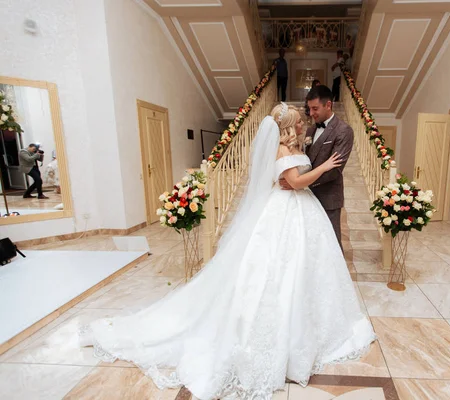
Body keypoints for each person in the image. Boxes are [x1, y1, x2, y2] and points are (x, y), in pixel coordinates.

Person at [79, 103, 375, 400]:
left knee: (304, 268)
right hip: (287, 209)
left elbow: (292, 178)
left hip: (301, 210)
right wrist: (323, 167)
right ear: (288, 127)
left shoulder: (291, 146)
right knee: (279, 270)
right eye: (299, 122)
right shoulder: (282, 151)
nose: (303, 124)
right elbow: (295, 182)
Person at [282, 86, 353, 248]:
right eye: (310, 109)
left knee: (331, 246)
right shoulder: (312, 129)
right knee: (311, 247)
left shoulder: (344, 131)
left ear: (328, 105)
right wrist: (296, 181)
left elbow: (334, 171)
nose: (311, 113)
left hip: (328, 197)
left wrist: (299, 182)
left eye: (315, 108)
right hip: (305, 198)